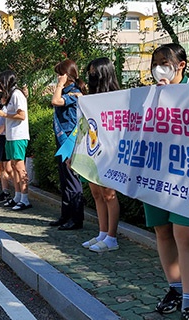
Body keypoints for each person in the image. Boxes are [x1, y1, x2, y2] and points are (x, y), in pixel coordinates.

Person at [146, 43, 189, 320]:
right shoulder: (147, 95)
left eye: (164, 62)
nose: (159, 67)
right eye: (155, 62)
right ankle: (175, 288)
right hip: (155, 173)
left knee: (188, 233)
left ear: (181, 65)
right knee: (162, 231)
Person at [78, 57, 122, 251]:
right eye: (90, 72)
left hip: (110, 153)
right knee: (97, 193)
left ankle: (112, 237)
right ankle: (102, 232)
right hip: (91, 151)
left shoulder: (117, 97)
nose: (91, 75)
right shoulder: (90, 98)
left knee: (109, 194)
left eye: (94, 72)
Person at [48, 59, 87, 229]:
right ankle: (65, 215)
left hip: (70, 141)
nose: (57, 77)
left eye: (59, 74)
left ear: (67, 75)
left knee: (72, 179)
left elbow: (55, 101)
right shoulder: (67, 91)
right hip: (62, 140)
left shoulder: (74, 92)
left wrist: (59, 85)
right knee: (64, 179)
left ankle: (76, 218)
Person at [0, 70, 31, 211]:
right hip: (10, 135)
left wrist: (4, 114)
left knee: (20, 167)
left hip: (19, 135)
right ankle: (17, 196)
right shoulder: (10, 95)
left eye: (0, 82)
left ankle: (25, 198)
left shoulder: (17, 94)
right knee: (15, 167)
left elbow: (21, 115)